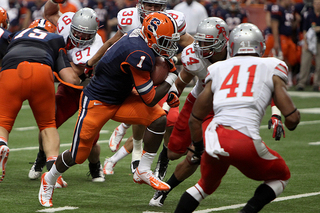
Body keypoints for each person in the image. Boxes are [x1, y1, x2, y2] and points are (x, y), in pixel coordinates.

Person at [38, 11, 181, 207]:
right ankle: (49, 178)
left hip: (122, 98)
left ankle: (143, 170)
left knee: (159, 119)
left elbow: (162, 66)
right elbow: (148, 98)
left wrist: (171, 87)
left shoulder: (144, 39)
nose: (169, 46)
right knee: (77, 156)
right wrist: (173, 80)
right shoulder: (138, 51)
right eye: (164, 41)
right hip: (98, 101)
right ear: (150, 36)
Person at [174, 23, 300, 213]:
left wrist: (199, 148)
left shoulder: (217, 68)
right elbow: (291, 119)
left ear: (231, 46)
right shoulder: (273, 65)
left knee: (203, 187)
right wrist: (290, 117)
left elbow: (195, 118)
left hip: (214, 137)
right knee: (282, 176)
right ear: (260, 46)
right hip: (243, 139)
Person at [96, 0, 194, 175]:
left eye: (158, 6)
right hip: (134, 73)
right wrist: (91, 63)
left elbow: (191, 45)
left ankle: (134, 144)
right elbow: (111, 44)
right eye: (149, 5)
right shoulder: (129, 19)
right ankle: (134, 149)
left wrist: (178, 60)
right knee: (147, 111)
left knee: (161, 119)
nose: (153, 10)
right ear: (140, 4)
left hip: (159, 73)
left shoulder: (171, 21)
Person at [149, 16, 230, 207]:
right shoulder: (193, 55)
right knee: (173, 153)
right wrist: (168, 105)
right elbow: (181, 81)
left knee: (195, 155)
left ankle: (164, 190)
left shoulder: (237, 54)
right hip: (197, 102)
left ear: (223, 41)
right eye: (200, 41)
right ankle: (164, 156)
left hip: (222, 107)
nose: (201, 47)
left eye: (207, 43)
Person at [28, 0, 105, 183]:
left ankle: (94, 166)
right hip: (69, 87)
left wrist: (52, 58)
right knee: (49, 122)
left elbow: (75, 73)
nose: (79, 35)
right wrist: (55, 1)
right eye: (77, 31)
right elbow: (49, 13)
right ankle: (41, 157)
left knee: (90, 137)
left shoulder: (94, 46)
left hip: (89, 88)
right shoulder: (67, 21)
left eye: (85, 34)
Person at [0, 18, 82, 183]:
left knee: (3, 122)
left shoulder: (15, 36)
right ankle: (53, 173)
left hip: (11, 70)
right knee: (47, 125)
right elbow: (70, 79)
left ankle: (1, 144)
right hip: (41, 71)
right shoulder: (55, 39)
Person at [271, 0, 301, 87]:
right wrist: (276, 41)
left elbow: (291, 27)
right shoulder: (277, 8)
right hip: (282, 37)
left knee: (291, 59)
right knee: (282, 59)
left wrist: (296, 21)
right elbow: (274, 25)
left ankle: (289, 78)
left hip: (289, 37)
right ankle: (281, 78)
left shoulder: (289, 10)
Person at [296, 0, 320, 91]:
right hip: (309, 41)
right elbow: (304, 30)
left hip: (319, 41)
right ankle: (301, 83)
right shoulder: (309, 15)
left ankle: (317, 84)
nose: (318, 5)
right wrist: (305, 42)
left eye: (319, 3)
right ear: (313, 4)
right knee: (305, 62)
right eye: (316, 3)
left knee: (319, 64)